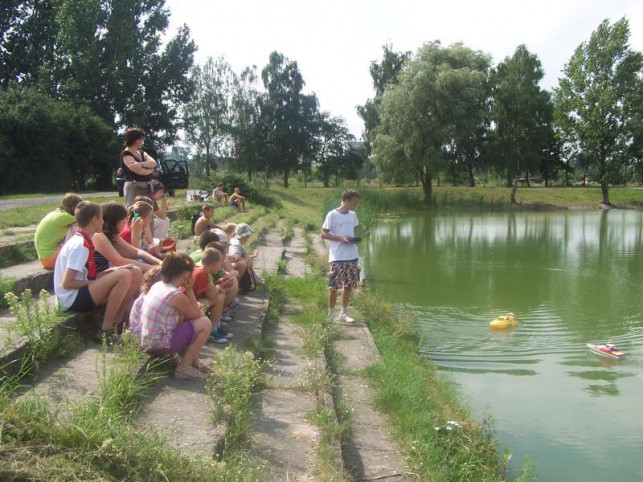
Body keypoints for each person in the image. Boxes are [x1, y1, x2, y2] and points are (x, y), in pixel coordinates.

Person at [53, 201, 137, 342]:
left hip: (78, 293)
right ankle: (106, 330)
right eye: (102, 218)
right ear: (94, 220)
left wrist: (108, 273)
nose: (103, 222)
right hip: (70, 299)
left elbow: (83, 275)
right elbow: (67, 283)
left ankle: (118, 323)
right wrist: (97, 281)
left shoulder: (83, 240)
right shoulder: (80, 246)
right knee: (124, 275)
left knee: (133, 272)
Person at [138, 253, 212, 381]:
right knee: (205, 323)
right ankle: (184, 368)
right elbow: (197, 315)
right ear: (186, 275)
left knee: (185, 316)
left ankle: (193, 360)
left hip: (147, 342)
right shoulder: (175, 295)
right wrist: (189, 290)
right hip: (159, 345)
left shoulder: (158, 285)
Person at [321, 189, 361, 323]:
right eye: (355, 202)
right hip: (337, 256)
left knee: (348, 286)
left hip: (352, 255)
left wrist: (354, 239)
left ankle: (343, 313)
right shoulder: (332, 215)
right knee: (333, 287)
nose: (356, 204)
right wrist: (341, 239)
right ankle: (330, 314)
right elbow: (323, 234)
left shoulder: (353, 215)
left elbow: (354, 232)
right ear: (347, 201)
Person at [93, 201, 161, 274]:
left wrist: (160, 263)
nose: (125, 222)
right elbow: (119, 261)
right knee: (135, 271)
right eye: (122, 219)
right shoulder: (99, 236)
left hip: (110, 272)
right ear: (112, 221)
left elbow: (137, 252)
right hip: (98, 276)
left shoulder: (113, 235)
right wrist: (154, 269)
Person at [190, 248, 231, 343]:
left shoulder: (201, 271)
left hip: (195, 302)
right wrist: (219, 286)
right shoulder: (202, 274)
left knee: (219, 295)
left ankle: (216, 326)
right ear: (215, 264)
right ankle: (212, 330)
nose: (220, 267)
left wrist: (217, 286)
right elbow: (211, 296)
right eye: (220, 264)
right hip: (193, 306)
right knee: (218, 297)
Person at [35, 193, 83, 268]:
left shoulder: (56, 214)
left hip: (45, 259)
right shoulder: (65, 217)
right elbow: (88, 222)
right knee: (76, 229)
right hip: (52, 259)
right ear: (74, 207)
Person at [120, 127, 157, 209]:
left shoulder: (142, 152)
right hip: (133, 185)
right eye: (140, 139)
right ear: (133, 139)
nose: (142, 141)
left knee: (148, 209)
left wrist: (140, 164)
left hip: (147, 185)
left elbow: (154, 163)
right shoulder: (126, 154)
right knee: (132, 209)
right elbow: (139, 171)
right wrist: (149, 169)